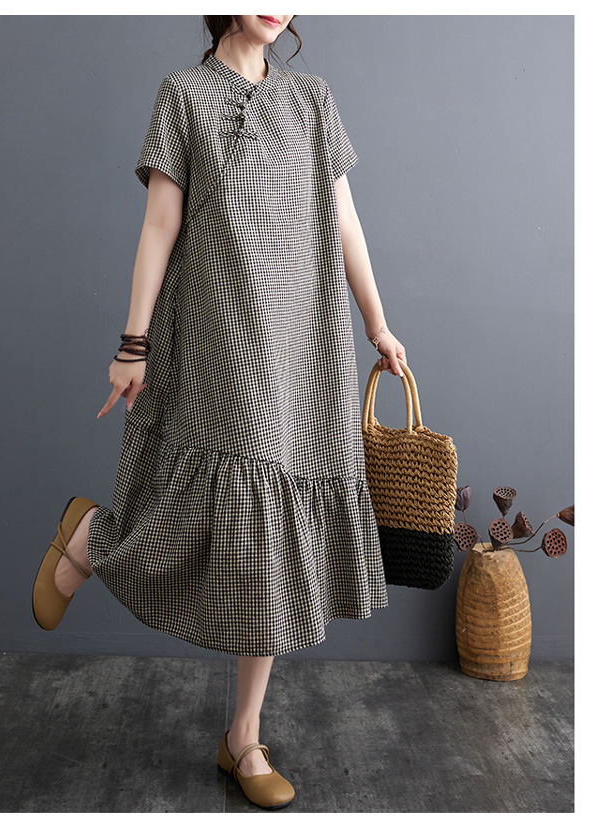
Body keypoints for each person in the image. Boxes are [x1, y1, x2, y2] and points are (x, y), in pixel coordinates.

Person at [32, 14, 406, 811]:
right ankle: (95, 539)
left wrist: (377, 323)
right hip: (220, 331)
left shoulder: (313, 99)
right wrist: (132, 343)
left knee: (271, 534)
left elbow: (344, 219)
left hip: (304, 340)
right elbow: (160, 224)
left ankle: (243, 735)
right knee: (233, 508)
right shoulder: (184, 94)